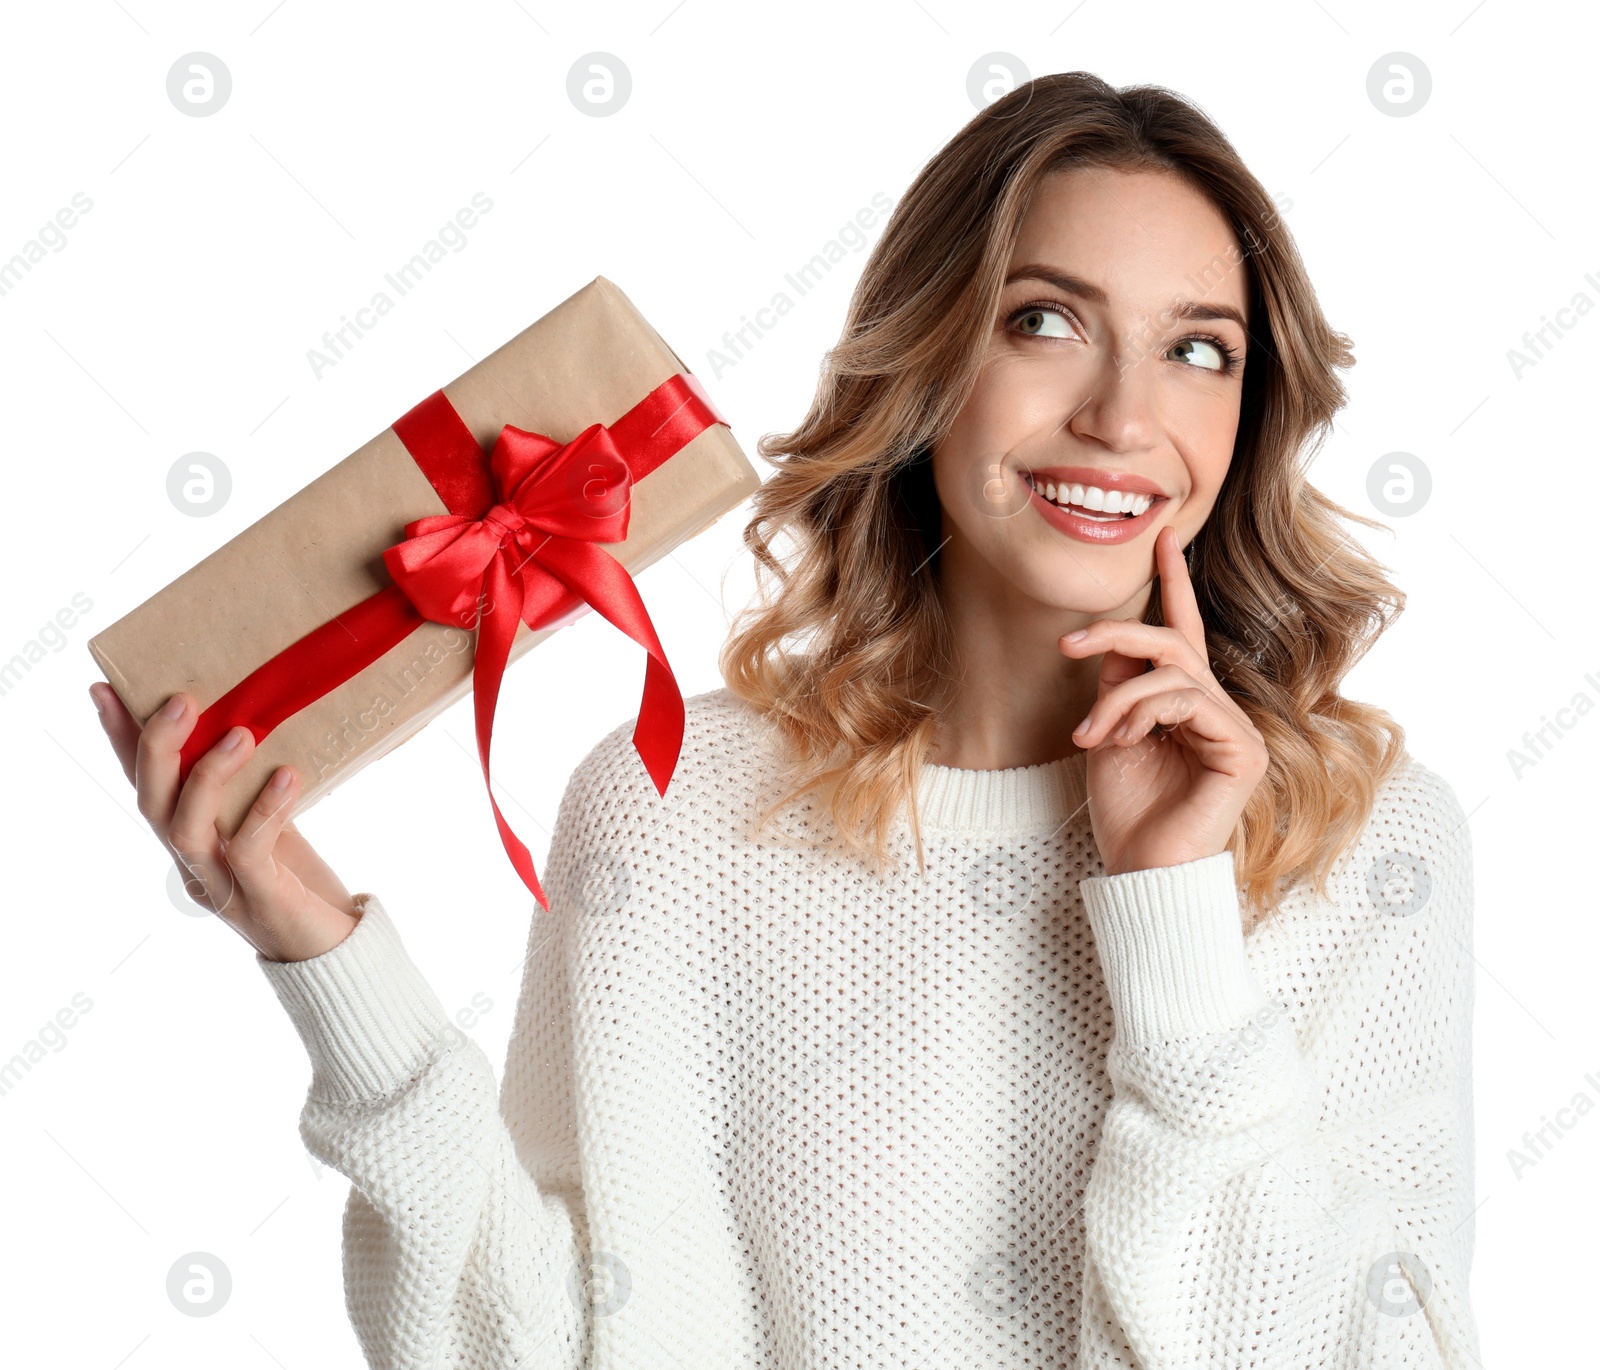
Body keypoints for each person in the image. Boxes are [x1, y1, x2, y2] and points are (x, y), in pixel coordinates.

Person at [89, 71, 1481, 1368]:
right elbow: (565, 1343)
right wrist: (322, 953)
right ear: (929, 358)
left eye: (1198, 348)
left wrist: (1175, 915)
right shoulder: (675, 799)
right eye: (1044, 320)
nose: (1124, 415)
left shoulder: (1367, 844)